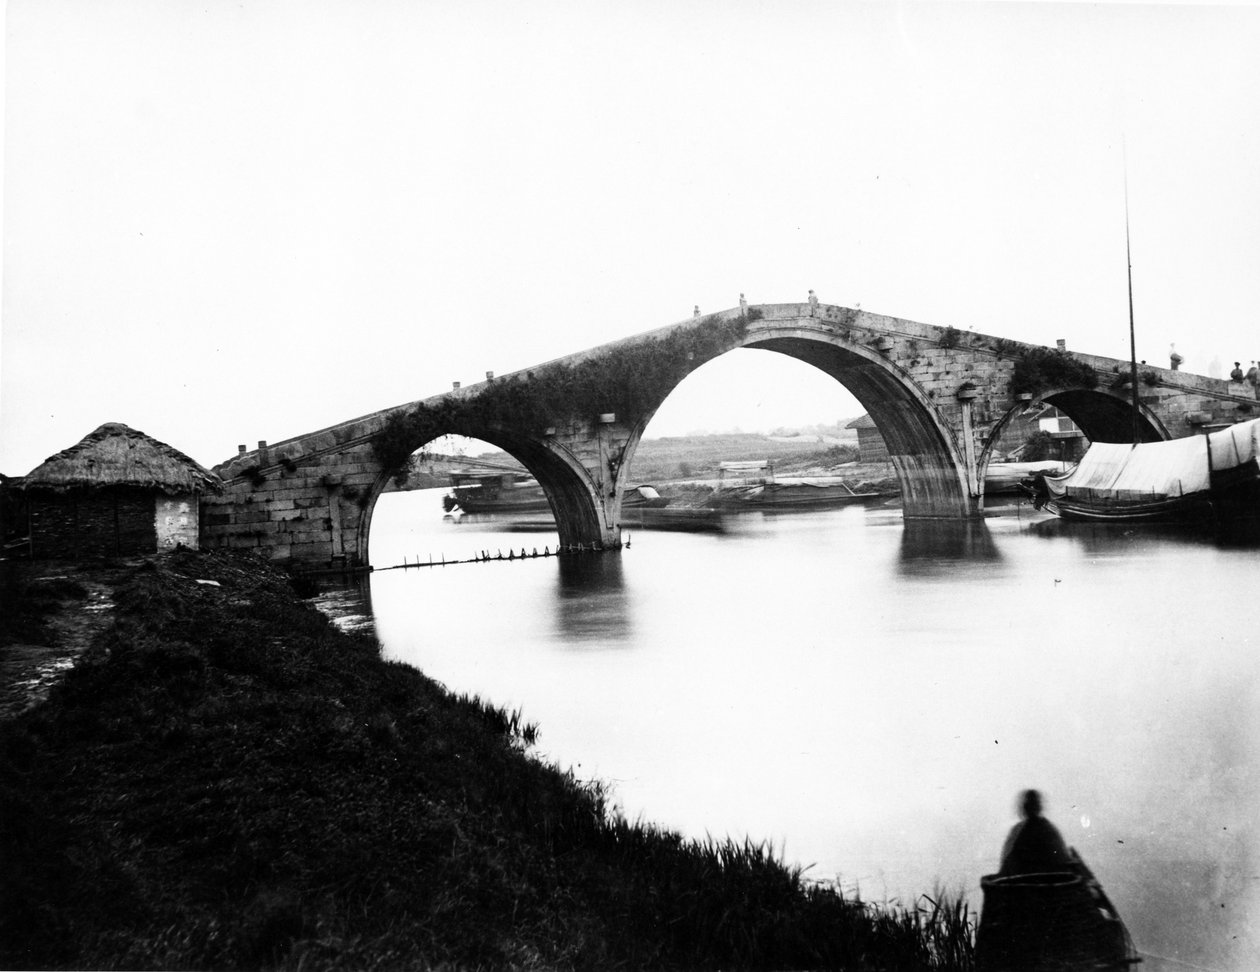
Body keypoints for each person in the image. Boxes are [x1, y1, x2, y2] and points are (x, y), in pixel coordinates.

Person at [998, 789, 1072, 876]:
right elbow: (1062, 860)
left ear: (1024, 808)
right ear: (1039, 807)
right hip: (1048, 880)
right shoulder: (1048, 829)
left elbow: (1006, 865)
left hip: (1023, 882)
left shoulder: (1018, 831)